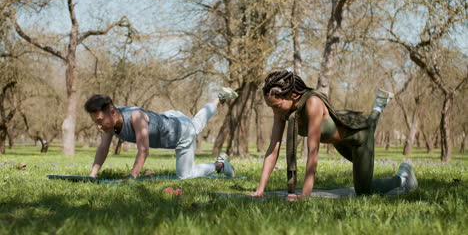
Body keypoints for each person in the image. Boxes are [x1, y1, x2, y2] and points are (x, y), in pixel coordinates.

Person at [251, 70, 418, 200]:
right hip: (339, 139)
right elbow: (273, 148)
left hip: (359, 141)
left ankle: (403, 178)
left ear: (293, 96)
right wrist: (260, 189)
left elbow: (313, 152)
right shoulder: (282, 110)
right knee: (364, 128)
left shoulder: (312, 103)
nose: (274, 111)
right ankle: (379, 106)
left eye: (277, 106)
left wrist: (305, 194)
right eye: (271, 107)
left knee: (363, 191)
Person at [84, 87, 239, 180]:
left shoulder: (135, 116)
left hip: (181, 133)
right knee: (197, 123)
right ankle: (219, 98)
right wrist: (92, 175)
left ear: (112, 112)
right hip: (171, 118)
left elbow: (143, 150)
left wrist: (132, 176)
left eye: (99, 121)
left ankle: (220, 165)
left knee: (185, 175)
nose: (98, 126)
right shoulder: (109, 123)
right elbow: (103, 148)